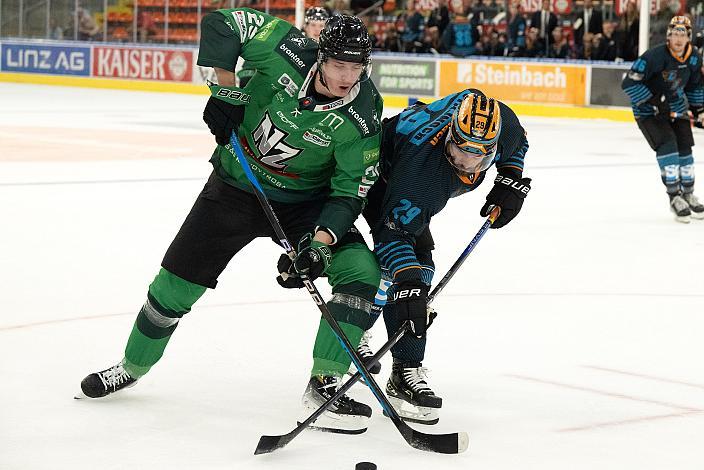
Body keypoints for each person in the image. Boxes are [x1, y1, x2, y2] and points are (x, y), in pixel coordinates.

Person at [79, 9, 386, 436]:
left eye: (356, 67)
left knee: (360, 272)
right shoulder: (286, 50)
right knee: (175, 284)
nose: (346, 77)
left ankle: (324, 386)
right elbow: (222, 23)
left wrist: (317, 244)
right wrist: (225, 91)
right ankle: (132, 366)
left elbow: (350, 189)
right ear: (320, 57)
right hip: (234, 187)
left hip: (303, 205)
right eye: (338, 65)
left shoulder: (364, 112)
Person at [359, 90, 530, 424]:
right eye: (460, 149)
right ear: (449, 135)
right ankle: (370, 336)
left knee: (414, 277)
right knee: (410, 273)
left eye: (479, 155)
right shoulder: (419, 175)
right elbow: (392, 234)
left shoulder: (500, 122)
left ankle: (401, 368)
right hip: (378, 177)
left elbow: (518, 142)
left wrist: (510, 177)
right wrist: (408, 280)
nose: (467, 162)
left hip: (415, 184)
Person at [621, 16, 704, 222]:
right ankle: (674, 197)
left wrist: (700, 109)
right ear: (669, 35)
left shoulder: (694, 57)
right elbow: (629, 84)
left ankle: (688, 193)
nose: (677, 38)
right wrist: (658, 103)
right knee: (668, 147)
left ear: (688, 37)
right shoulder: (654, 56)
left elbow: (694, 86)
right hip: (648, 111)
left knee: (685, 149)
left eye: (682, 34)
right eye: (674, 33)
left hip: (676, 108)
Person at [238, 6, 329, 87]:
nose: (317, 29)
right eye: (313, 25)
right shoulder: (289, 41)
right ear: (305, 26)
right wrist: (247, 75)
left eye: (321, 26)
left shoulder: (329, 52)